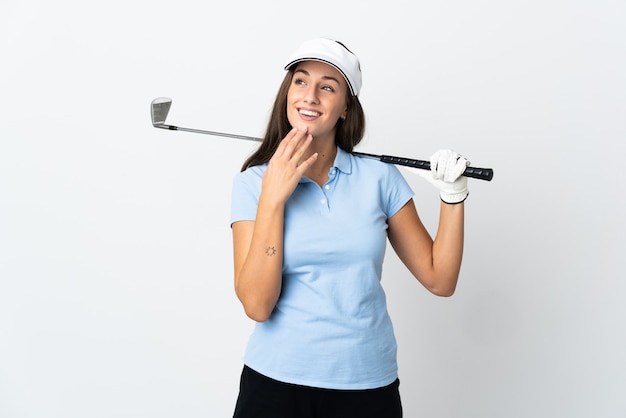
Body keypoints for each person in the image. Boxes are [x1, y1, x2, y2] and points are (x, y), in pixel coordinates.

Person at [230, 38, 469, 418]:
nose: (310, 97)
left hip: (367, 386)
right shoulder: (253, 184)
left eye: (327, 87)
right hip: (275, 383)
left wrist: (453, 199)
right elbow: (257, 305)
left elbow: (440, 280)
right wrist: (273, 198)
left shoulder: (380, 178)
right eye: (301, 82)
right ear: (287, 93)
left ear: (344, 109)